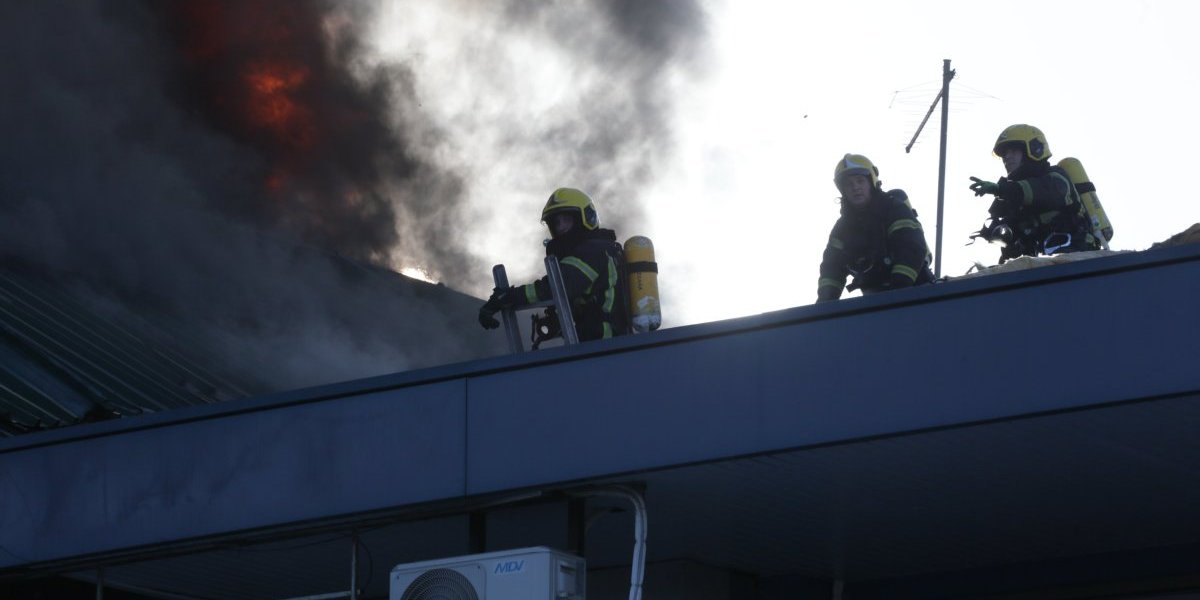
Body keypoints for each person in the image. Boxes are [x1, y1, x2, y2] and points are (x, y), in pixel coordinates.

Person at [478, 187, 629, 341]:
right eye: (556, 223)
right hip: (600, 345)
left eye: (567, 220)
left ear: (586, 218)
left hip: (607, 344)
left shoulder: (593, 251)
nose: (561, 227)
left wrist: (507, 297)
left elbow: (558, 286)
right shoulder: (596, 250)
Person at [968, 124, 1099, 263]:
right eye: (1004, 153)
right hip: (1037, 270)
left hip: (1076, 258)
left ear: (1034, 149)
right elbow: (1004, 234)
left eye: (1013, 150)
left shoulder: (1056, 177)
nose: (1007, 157)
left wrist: (1000, 190)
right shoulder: (1010, 197)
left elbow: (1037, 191)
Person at [817, 154, 934, 303]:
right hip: (875, 301)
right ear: (843, 190)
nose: (855, 188)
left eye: (860, 181)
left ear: (871, 182)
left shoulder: (894, 209)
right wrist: (823, 304)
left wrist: (898, 291)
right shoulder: (842, 228)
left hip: (917, 293)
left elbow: (910, 249)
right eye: (849, 184)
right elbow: (832, 268)